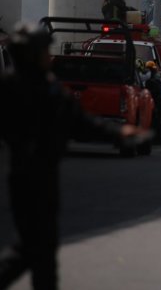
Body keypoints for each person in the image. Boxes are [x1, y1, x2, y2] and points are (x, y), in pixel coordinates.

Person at [0, 24, 148, 290]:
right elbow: (82, 123)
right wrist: (119, 134)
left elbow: (81, 123)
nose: (49, 56)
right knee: (35, 248)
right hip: (33, 175)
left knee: (39, 248)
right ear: (32, 54)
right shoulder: (36, 89)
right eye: (44, 51)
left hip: (35, 173)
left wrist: (118, 134)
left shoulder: (32, 86)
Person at [144, 61, 161, 142]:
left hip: (150, 102)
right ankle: (155, 138)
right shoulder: (155, 79)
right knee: (155, 120)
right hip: (155, 102)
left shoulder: (145, 77)